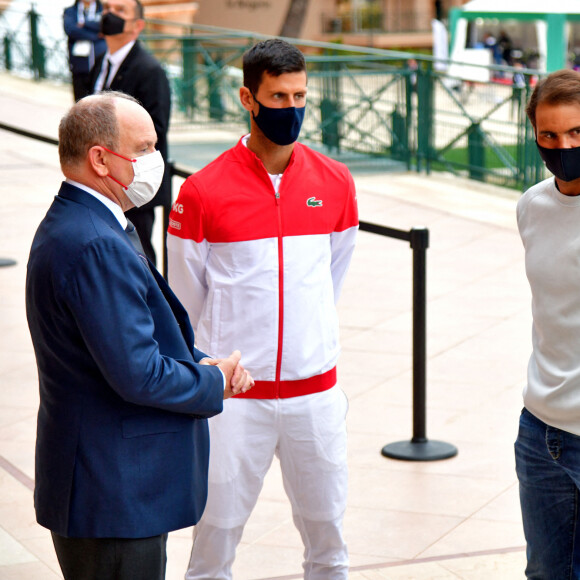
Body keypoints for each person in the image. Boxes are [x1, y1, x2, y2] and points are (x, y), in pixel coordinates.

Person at [25, 92, 253, 580]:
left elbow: (133, 338)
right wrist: (214, 383)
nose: (156, 160)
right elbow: (138, 373)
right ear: (100, 159)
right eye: (145, 148)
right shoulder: (94, 243)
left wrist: (202, 363)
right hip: (113, 492)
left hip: (107, 485)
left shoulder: (89, 224)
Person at [167, 38, 359, 579]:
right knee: (214, 543)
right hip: (235, 400)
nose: (292, 109)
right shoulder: (202, 192)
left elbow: (330, 277)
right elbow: (186, 300)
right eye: (278, 97)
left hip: (315, 396)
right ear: (248, 99)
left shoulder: (336, 183)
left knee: (330, 542)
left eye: (301, 96)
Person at [515, 68, 580, 579]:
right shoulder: (531, 206)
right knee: (544, 574)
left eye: (578, 133)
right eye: (550, 135)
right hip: (539, 434)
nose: (563, 145)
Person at [91, 0, 171, 266]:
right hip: (102, 179)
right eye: (106, 9)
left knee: (140, 257)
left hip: (132, 185)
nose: (109, 15)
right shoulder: (100, 61)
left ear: (137, 26)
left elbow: (157, 131)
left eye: (119, 11)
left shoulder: (149, 70)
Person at [64, 0, 107, 101]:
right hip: (79, 64)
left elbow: (104, 26)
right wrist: (96, 36)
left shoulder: (103, 10)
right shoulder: (70, 11)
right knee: (80, 101)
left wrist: (84, 24)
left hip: (99, 64)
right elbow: (71, 30)